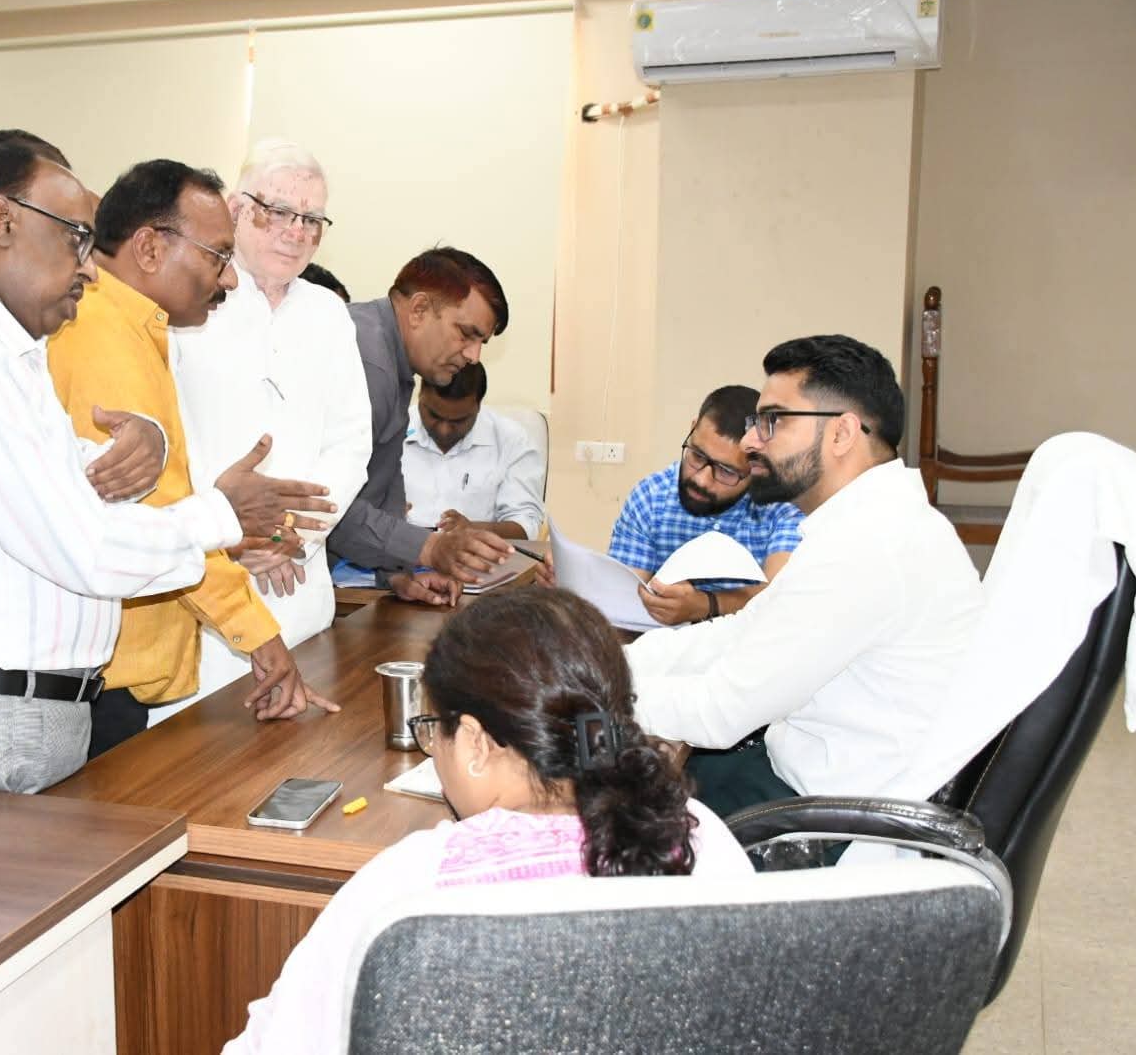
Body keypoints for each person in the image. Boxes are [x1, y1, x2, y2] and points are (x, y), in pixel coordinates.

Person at [0, 142, 331, 793]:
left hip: (8, 717)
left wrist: (145, 447)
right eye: (75, 238)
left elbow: (54, 479)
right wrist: (223, 515)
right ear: (1, 220)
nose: (89, 266)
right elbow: (85, 548)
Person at [224, 588, 752, 1055]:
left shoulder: (407, 888)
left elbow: (277, 1042)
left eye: (435, 729)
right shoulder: (698, 837)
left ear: (475, 742)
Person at [47, 156, 340, 741]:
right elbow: (156, 522)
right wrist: (261, 637)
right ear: (149, 248)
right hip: (105, 679)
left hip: (123, 668)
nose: (229, 280)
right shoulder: (104, 340)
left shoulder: (135, 329)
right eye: (217, 257)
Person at [628, 335, 985, 815]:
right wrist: (615, 664)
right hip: (799, 769)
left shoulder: (870, 547)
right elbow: (743, 632)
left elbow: (721, 710)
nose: (750, 441)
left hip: (826, 815)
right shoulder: (866, 525)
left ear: (841, 433)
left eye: (772, 421)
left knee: (600, 809)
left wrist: (596, 696)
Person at [171, 139, 372, 713]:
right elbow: (172, 439)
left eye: (312, 220)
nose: (295, 231)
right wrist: (233, 532)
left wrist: (290, 536)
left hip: (298, 580)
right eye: (278, 211)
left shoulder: (327, 313)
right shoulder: (190, 302)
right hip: (208, 578)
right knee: (195, 751)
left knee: (304, 744)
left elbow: (350, 443)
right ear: (236, 209)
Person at [328, 247, 516, 606]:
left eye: (481, 342)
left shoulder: (391, 356)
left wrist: (398, 570)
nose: (474, 356)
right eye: (467, 334)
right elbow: (328, 504)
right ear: (418, 310)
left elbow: (382, 480)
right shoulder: (367, 362)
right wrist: (429, 548)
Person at [610, 384, 805, 626]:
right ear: (692, 429)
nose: (701, 480)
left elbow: (781, 596)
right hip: (662, 644)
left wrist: (705, 605)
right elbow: (622, 602)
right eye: (697, 455)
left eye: (726, 471)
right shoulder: (651, 496)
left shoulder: (783, 506)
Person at [402, 360, 545, 540]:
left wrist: (473, 530)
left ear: (478, 406)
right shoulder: (388, 429)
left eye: (458, 421)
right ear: (420, 394)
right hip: (397, 552)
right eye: (434, 416)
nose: (444, 430)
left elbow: (526, 526)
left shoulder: (511, 440)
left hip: (478, 554)